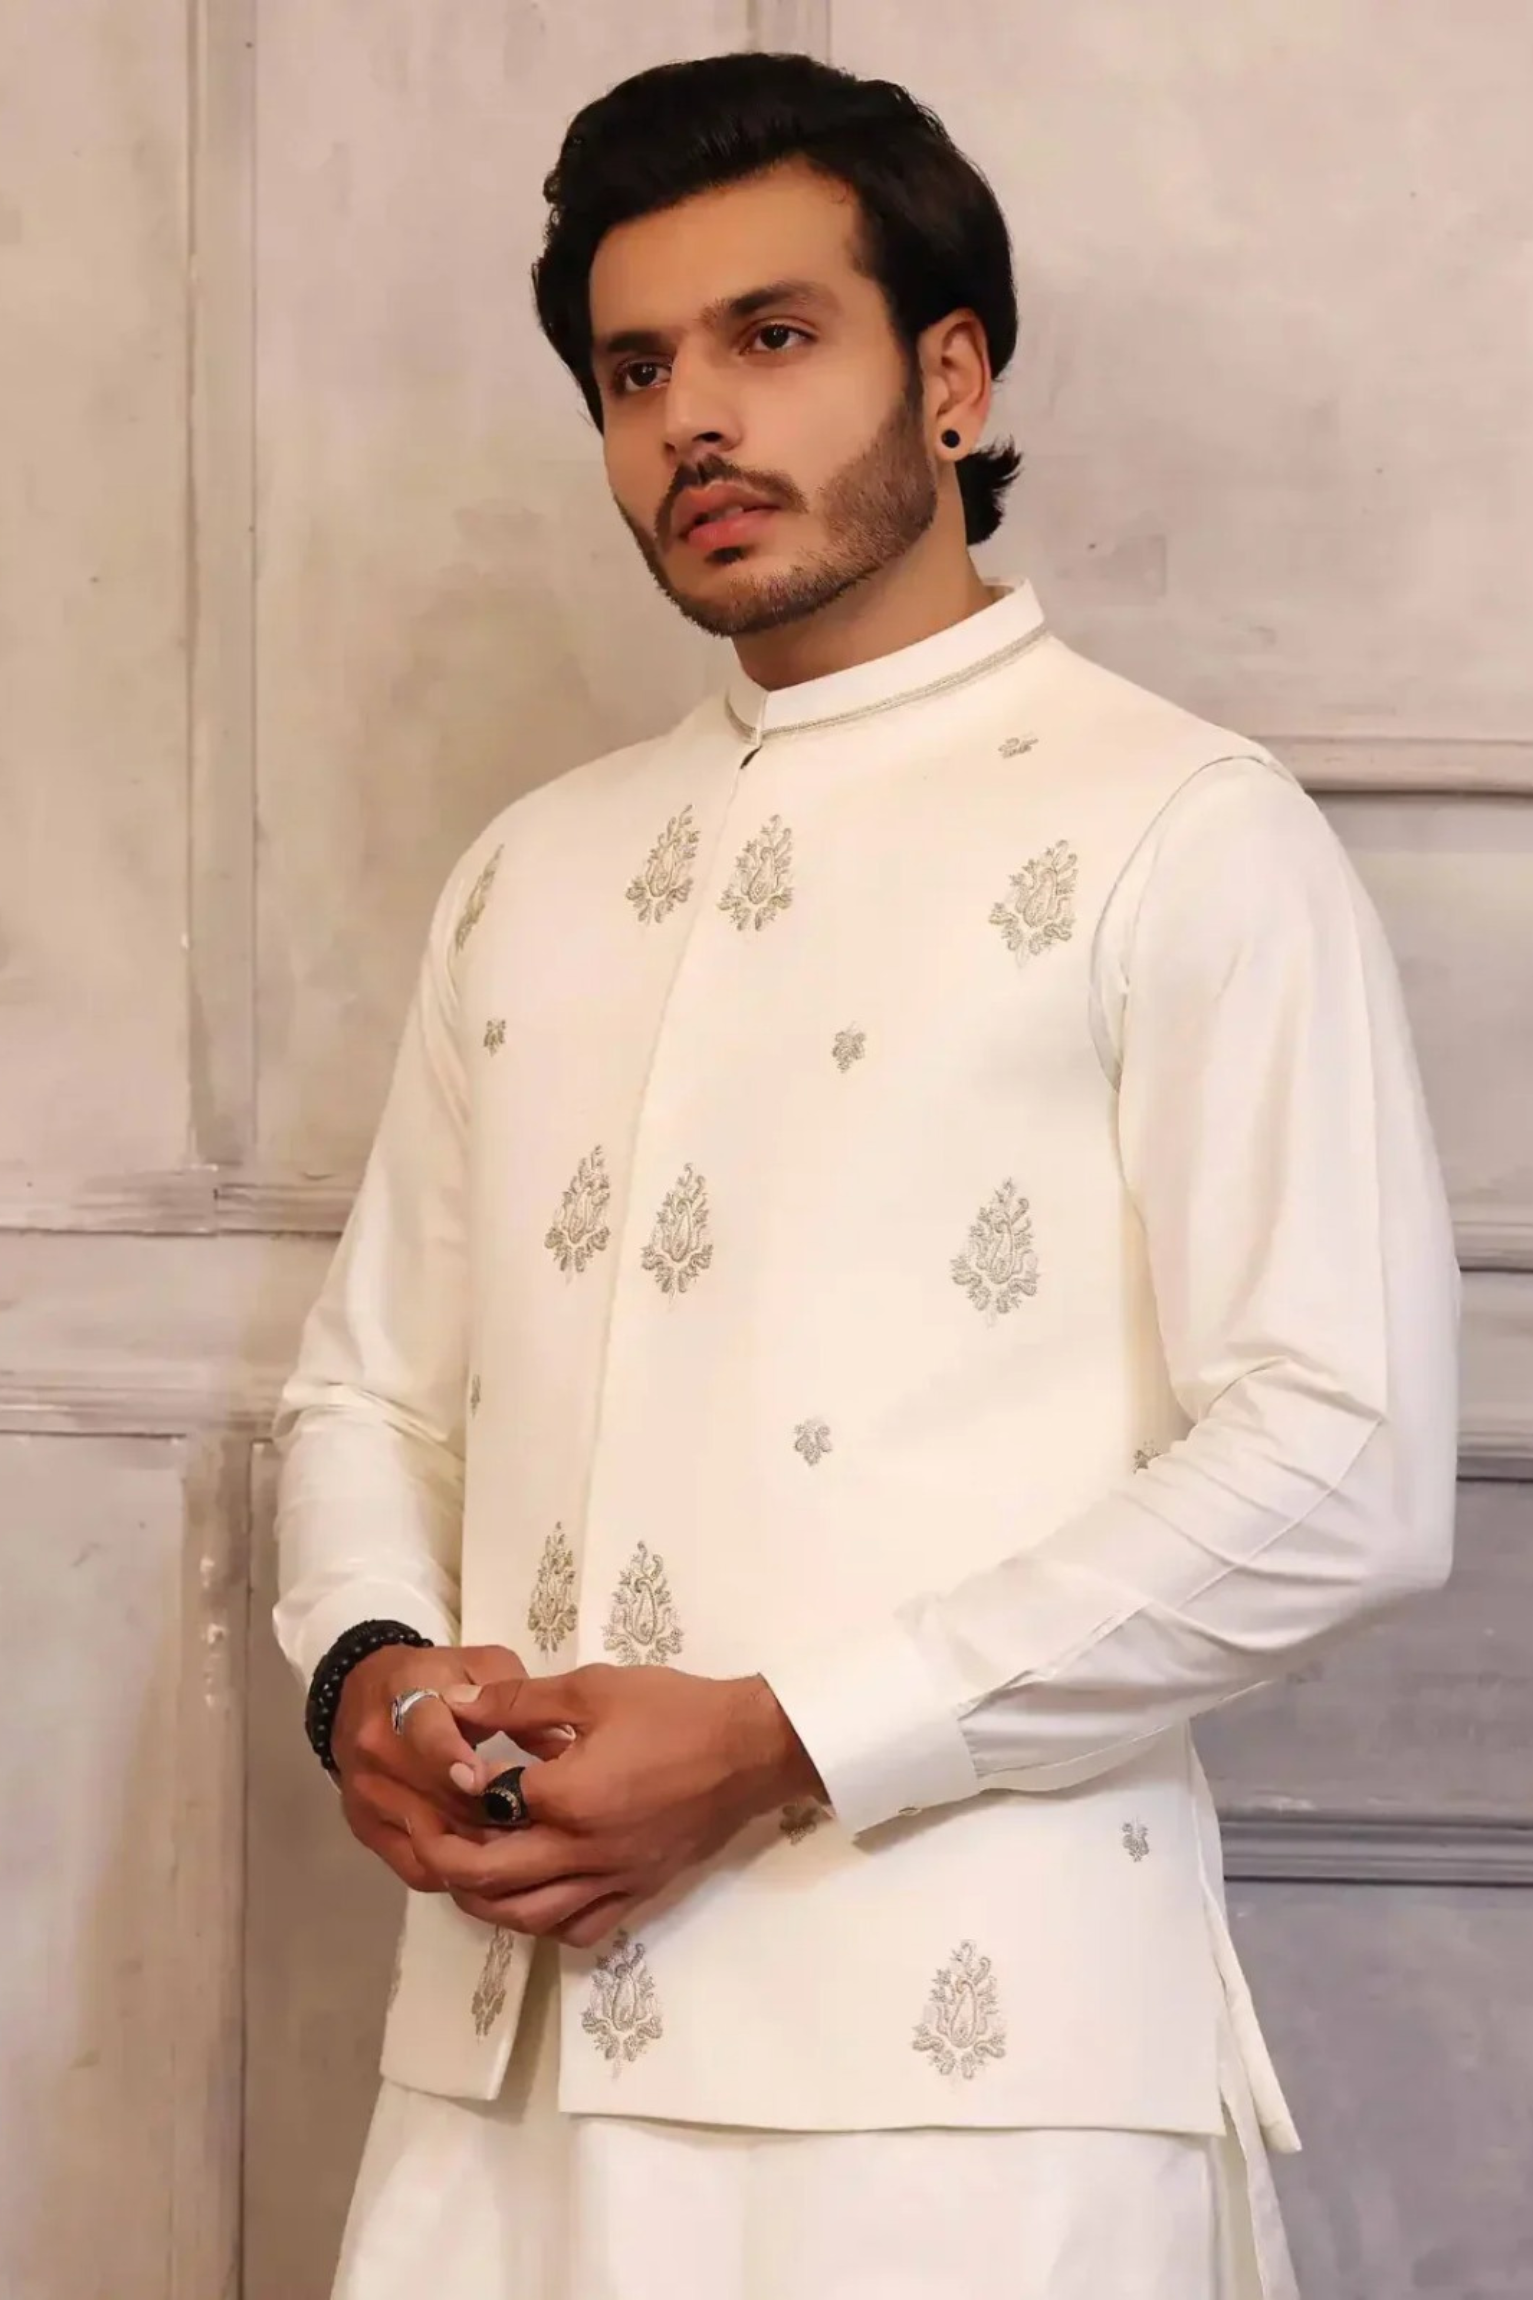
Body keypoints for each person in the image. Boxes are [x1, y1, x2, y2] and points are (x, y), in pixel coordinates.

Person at [273, 49, 1461, 2300]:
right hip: (503, 2088)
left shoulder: (1181, 833)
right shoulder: (533, 873)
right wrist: (370, 1679)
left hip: (972, 2101)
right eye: (637, 371)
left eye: (772, 335)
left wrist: (783, 1741)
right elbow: (370, 1395)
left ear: (950, 375)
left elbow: (1345, 1459)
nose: (694, 420)